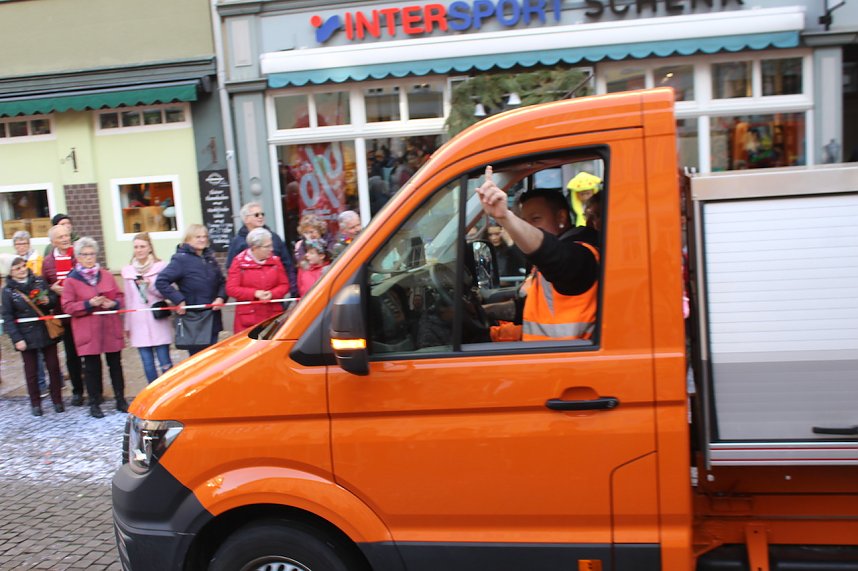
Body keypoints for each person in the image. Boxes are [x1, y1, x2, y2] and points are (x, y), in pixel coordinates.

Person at [477, 166, 599, 341]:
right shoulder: (560, 251)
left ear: (561, 218)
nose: (528, 226)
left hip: (568, 361)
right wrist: (483, 313)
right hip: (545, 357)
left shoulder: (582, 255)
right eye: (524, 221)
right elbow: (529, 308)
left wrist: (505, 217)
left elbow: (554, 257)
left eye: (536, 219)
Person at [61, 237, 127, 418]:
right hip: (87, 329)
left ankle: (120, 398)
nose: (89, 258)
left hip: (109, 327)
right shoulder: (71, 280)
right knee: (91, 368)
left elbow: (121, 298)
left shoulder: (105, 275)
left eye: (92, 254)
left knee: (115, 364)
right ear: (77, 257)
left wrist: (112, 303)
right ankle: (94, 402)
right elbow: (67, 306)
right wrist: (88, 303)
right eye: (85, 255)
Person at [2, 257, 65, 416]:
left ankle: (57, 400)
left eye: (23, 266)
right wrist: (17, 339)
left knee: (53, 367)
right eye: (17, 268)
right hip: (26, 334)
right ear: (10, 272)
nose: (22, 269)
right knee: (31, 371)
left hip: (45, 331)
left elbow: (52, 301)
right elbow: (8, 317)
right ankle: (35, 403)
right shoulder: (8, 291)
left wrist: (47, 300)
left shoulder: (38, 281)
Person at [156, 224, 226, 355]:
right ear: (188, 239)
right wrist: (178, 300)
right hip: (194, 320)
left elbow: (222, 282)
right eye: (197, 237)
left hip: (212, 316)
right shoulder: (180, 259)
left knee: (213, 358)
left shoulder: (210, 258)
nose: (202, 240)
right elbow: (161, 281)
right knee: (198, 360)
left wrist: (221, 297)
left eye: (204, 236)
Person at [120, 232, 173, 384]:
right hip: (139, 322)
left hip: (157, 318)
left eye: (142, 246)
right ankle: (153, 392)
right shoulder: (128, 271)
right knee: (147, 363)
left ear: (150, 248)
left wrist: (150, 286)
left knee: (165, 361)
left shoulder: (161, 267)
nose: (139, 250)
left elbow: (165, 292)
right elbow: (128, 300)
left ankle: (169, 391)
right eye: (136, 247)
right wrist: (127, 325)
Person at [42, 224, 85, 406]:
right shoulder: (47, 262)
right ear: (53, 241)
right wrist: (52, 290)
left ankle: (94, 389)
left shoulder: (79, 255)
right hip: (64, 315)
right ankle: (77, 391)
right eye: (61, 237)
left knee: (89, 353)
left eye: (67, 236)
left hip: (82, 312)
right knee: (71, 355)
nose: (65, 239)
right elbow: (42, 289)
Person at [226, 202, 297, 298]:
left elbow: (287, 264)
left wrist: (292, 290)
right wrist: (252, 293)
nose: (260, 217)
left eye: (262, 214)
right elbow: (231, 270)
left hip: (275, 297)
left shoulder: (274, 237)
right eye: (256, 215)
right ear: (246, 219)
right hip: (250, 300)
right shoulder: (237, 242)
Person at [226, 227, 290, 333]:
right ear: (255, 247)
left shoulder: (275, 261)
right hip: (248, 319)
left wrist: (272, 294)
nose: (272, 249)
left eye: (271, 245)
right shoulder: (239, 262)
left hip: (272, 315)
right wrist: (254, 293)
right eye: (267, 246)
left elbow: (284, 285)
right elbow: (231, 289)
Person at [13, 230, 48, 395]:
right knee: (33, 354)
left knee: (46, 350)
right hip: (23, 314)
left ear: (29, 244)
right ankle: (40, 384)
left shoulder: (37, 260)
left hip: (38, 309)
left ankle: (56, 379)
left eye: (23, 243)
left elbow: (41, 282)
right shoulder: (13, 262)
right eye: (18, 244)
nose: (20, 247)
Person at [486, 221, 527, 286]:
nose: (494, 238)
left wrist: (509, 242)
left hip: (510, 287)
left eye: (497, 234)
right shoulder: (485, 249)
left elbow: (523, 262)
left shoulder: (511, 249)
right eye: (490, 235)